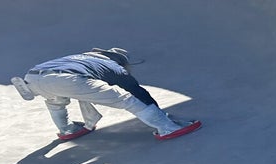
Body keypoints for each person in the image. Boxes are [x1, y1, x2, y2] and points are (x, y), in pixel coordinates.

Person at [11, 48, 201, 141]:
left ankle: (67, 129)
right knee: (129, 100)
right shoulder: (112, 66)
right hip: (67, 79)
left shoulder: (82, 58)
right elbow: (137, 91)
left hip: (33, 76)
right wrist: (159, 113)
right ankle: (167, 127)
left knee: (56, 99)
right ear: (120, 62)